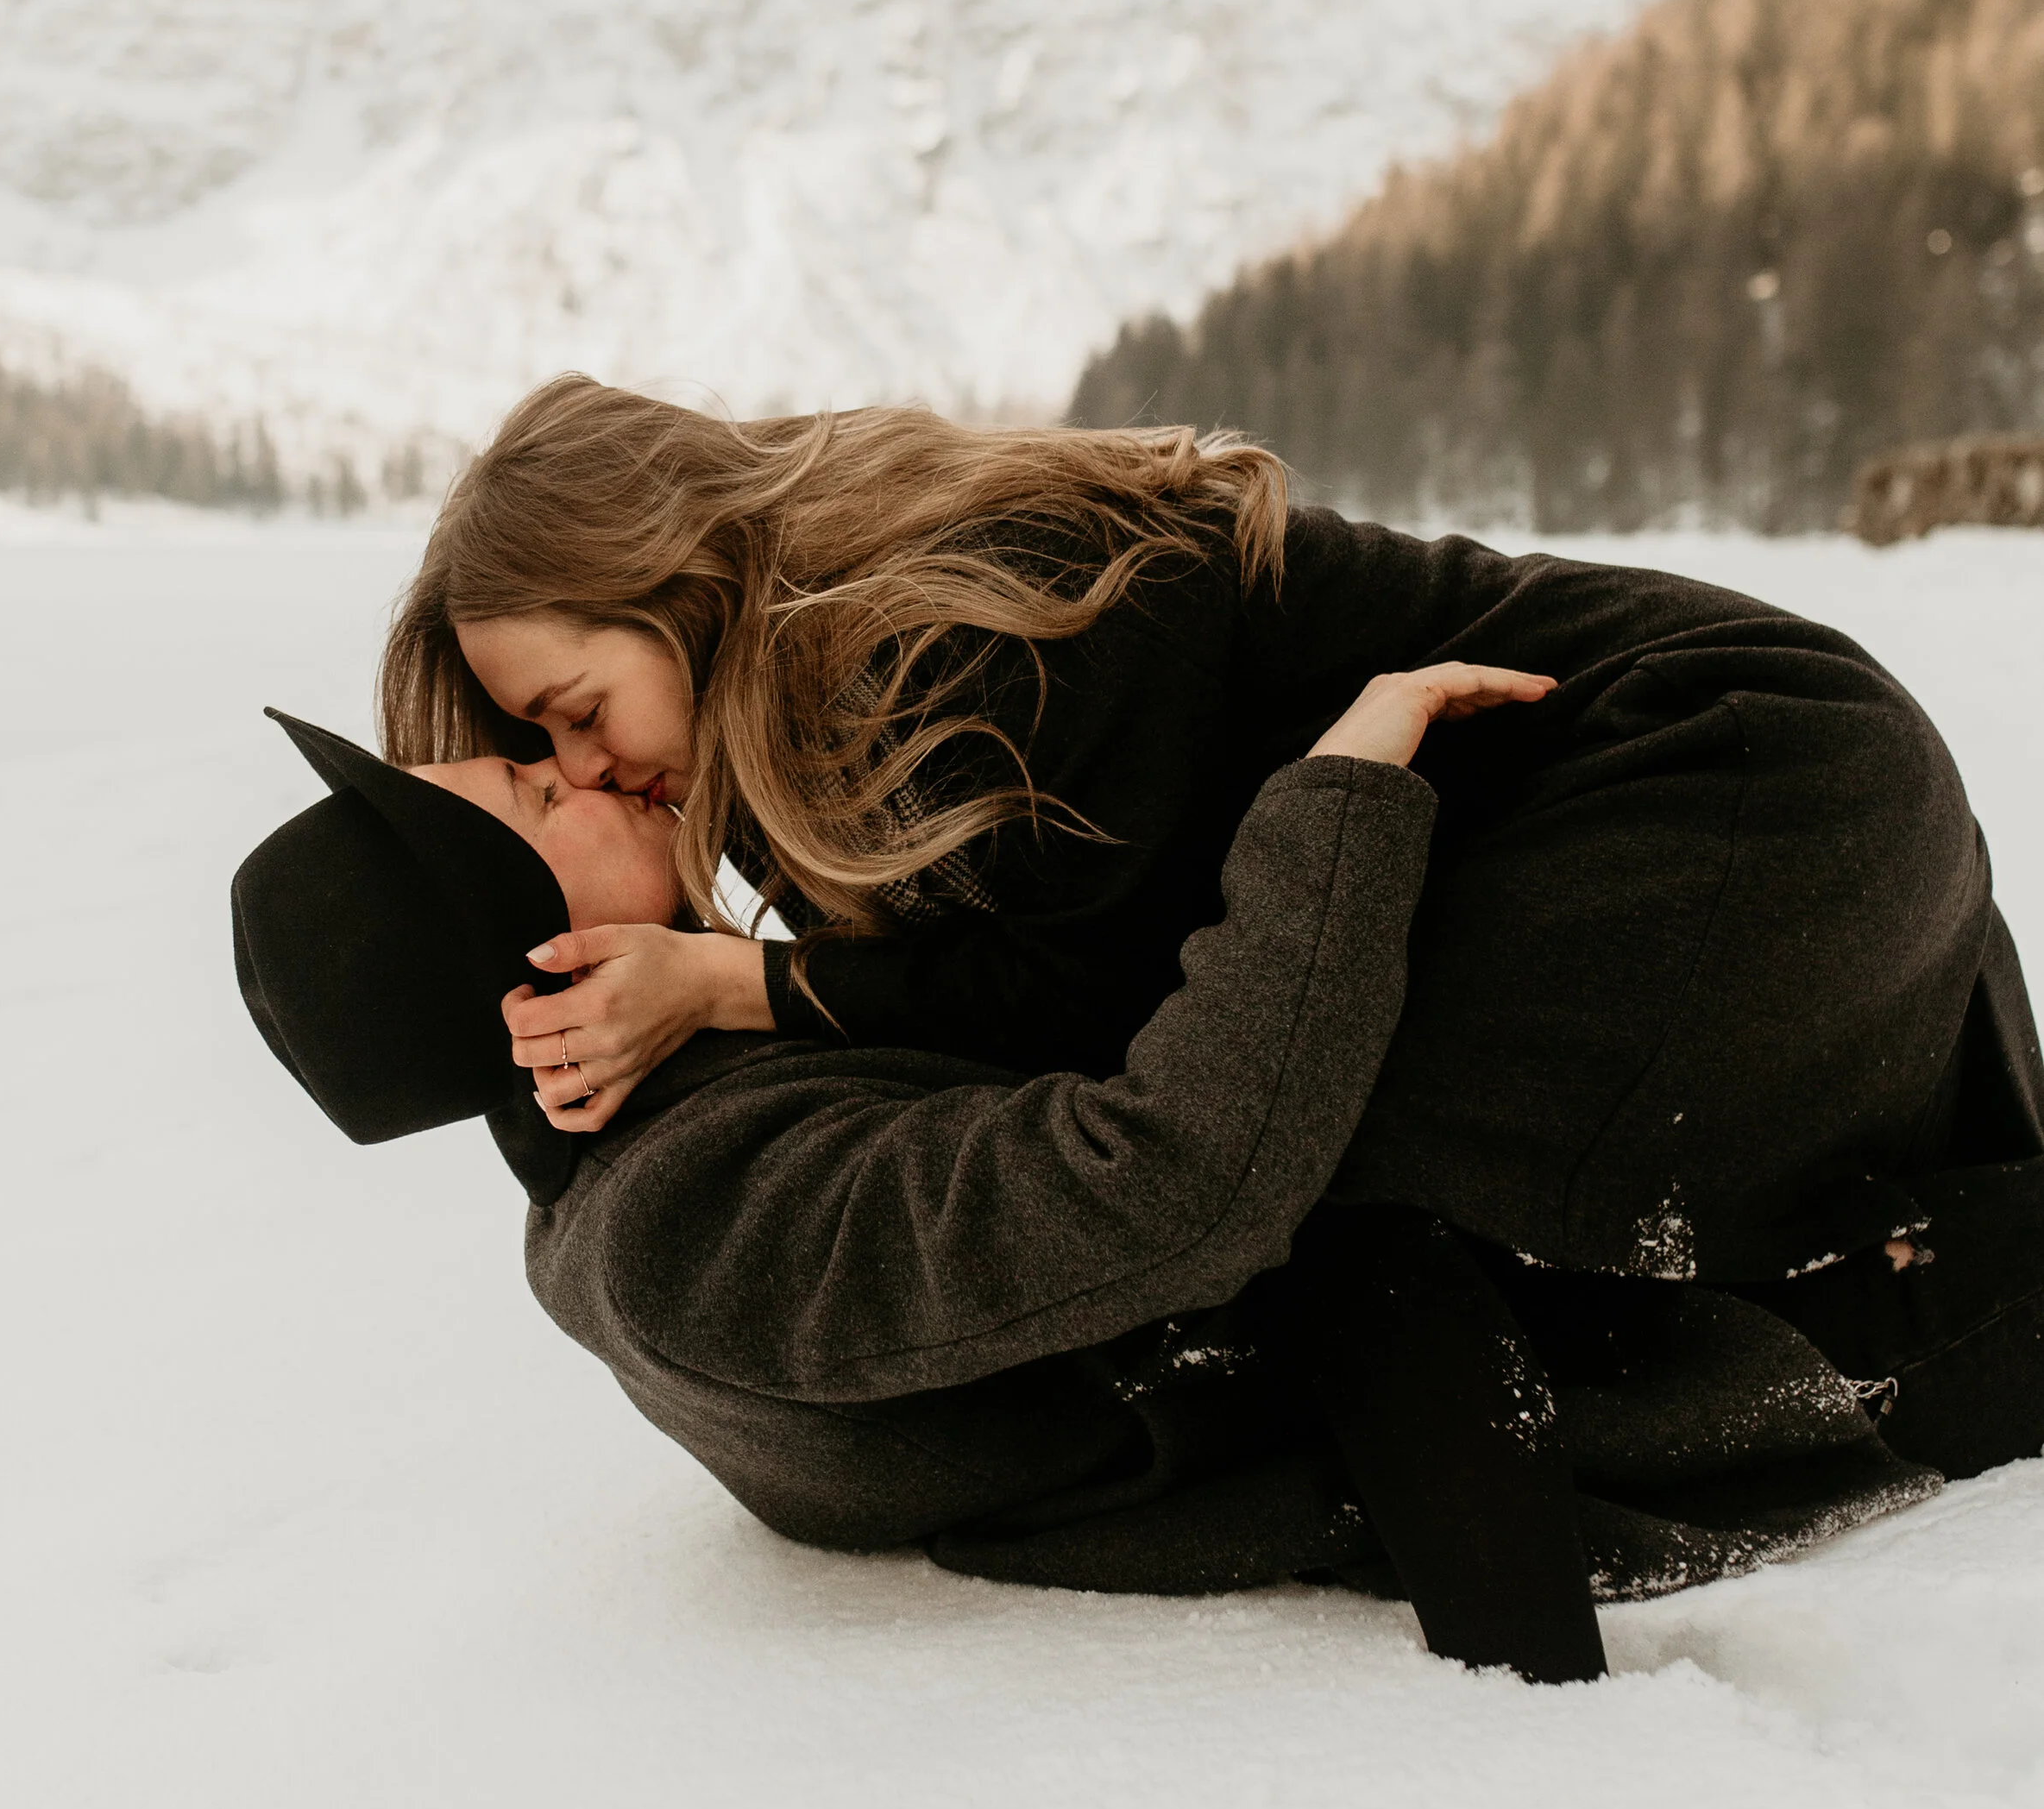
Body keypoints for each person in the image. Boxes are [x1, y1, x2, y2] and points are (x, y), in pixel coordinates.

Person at [231, 694, 2044, 1686]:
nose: (593, 763)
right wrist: (1341, 784)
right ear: (542, 947)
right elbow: (1169, 1183)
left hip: (1523, 1289)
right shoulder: (685, 1232)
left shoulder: (696, 1098)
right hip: (1612, 1391)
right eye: (540, 792)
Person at [376, 378, 2036, 1297]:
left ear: (678, 578)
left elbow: (1104, 1001)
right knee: (1310, 1166)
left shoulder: (958, 630)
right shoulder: (830, 709)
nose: (589, 763)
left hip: (1716, 769)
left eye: (581, 706)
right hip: (1715, 796)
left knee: (1329, 1203)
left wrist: (736, 988)